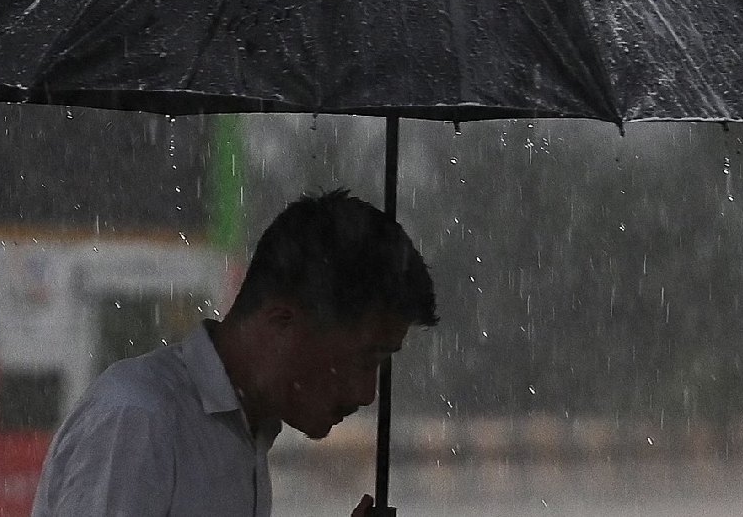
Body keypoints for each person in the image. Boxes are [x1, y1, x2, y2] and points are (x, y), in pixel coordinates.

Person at [31, 189, 438, 517]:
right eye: (366, 359)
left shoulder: (246, 437)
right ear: (282, 322)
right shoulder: (140, 419)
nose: (367, 393)